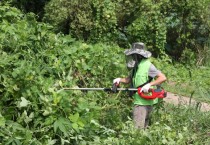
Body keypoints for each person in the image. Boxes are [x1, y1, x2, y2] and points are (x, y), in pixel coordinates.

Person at [113, 42, 166, 129]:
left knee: (138, 129)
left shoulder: (148, 65)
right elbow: (128, 79)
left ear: (139, 55)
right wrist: (119, 79)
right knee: (143, 129)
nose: (132, 57)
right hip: (139, 100)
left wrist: (149, 84)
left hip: (144, 102)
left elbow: (162, 78)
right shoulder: (136, 66)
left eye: (134, 55)